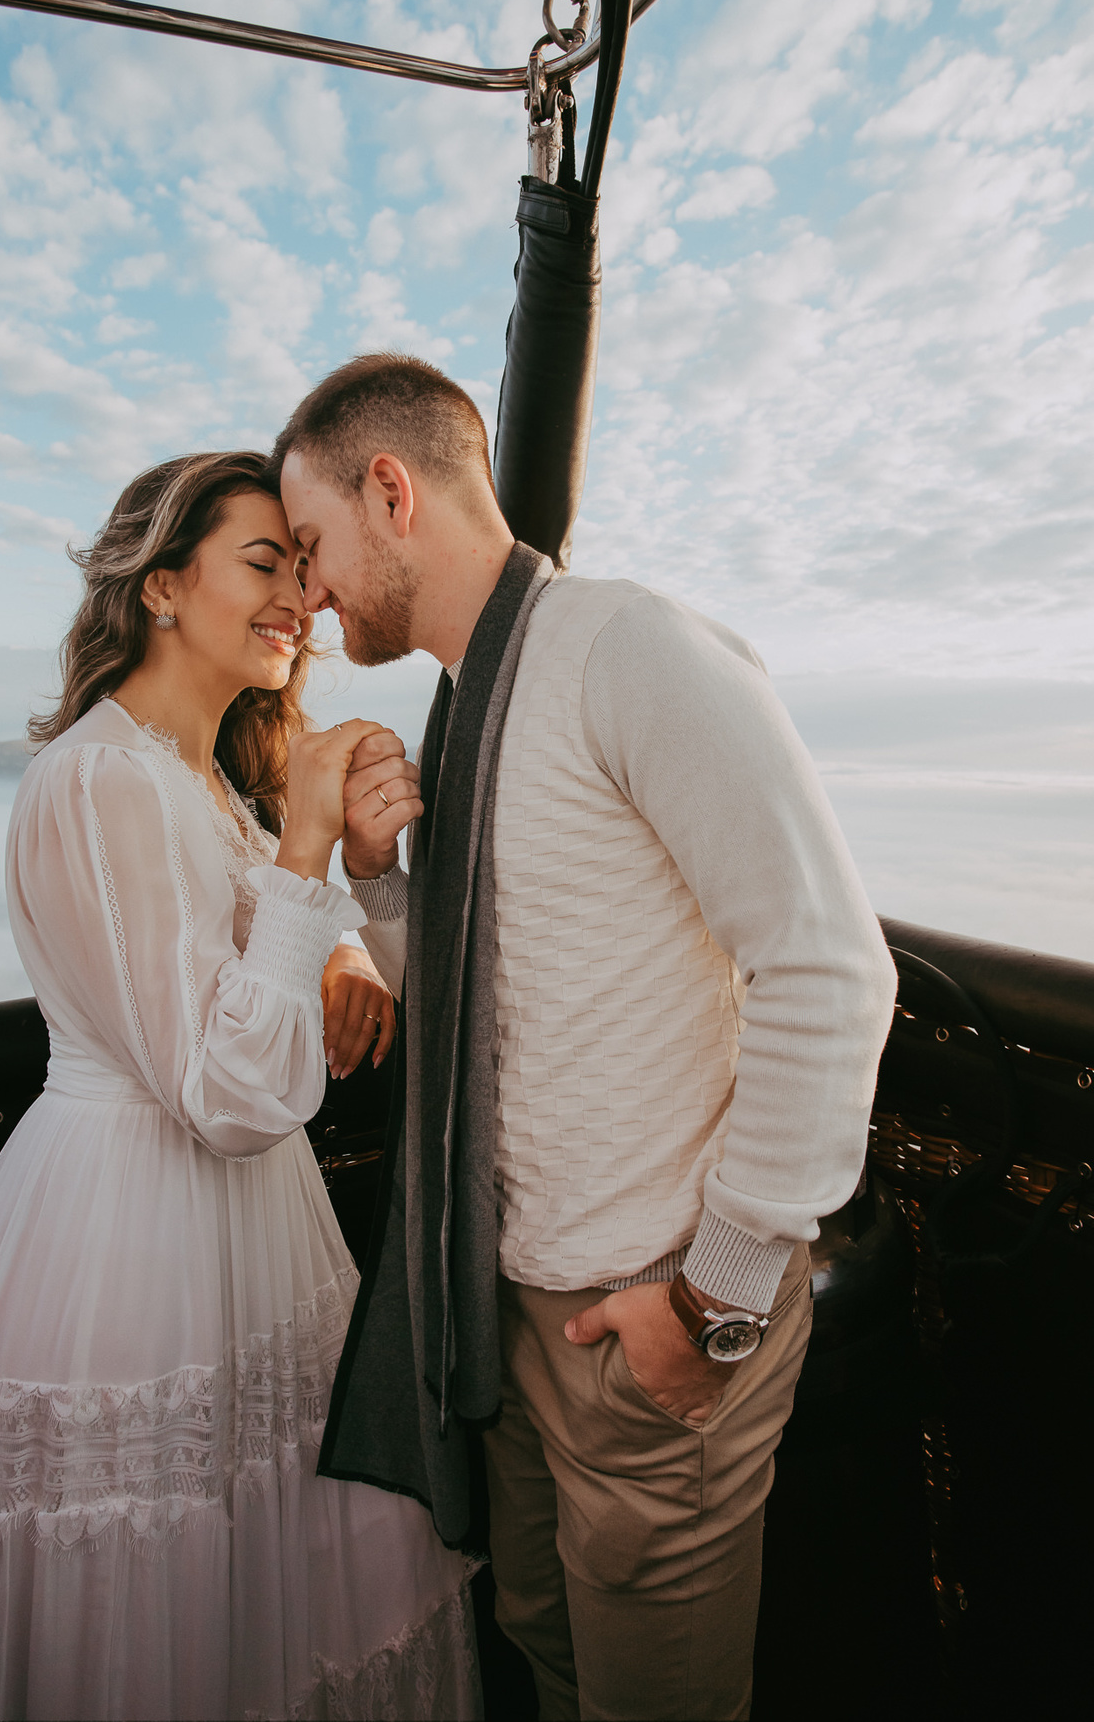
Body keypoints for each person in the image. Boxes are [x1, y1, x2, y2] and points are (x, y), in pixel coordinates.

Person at [272, 355, 900, 1722]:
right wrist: (381, 880)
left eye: (311, 544)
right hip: (516, 1323)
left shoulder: (625, 649)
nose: (306, 590)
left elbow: (831, 968)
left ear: (392, 490)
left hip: (657, 1329)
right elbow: (496, 1008)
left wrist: (714, 1306)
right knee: (547, 1660)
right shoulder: (467, 709)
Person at [0, 450, 480, 1722]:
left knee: (279, 1591)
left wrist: (335, 940)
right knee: (160, 1616)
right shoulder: (99, 777)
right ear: (161, 587)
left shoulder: (203, 782)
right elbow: (219, 1085)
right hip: (127, 1254)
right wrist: (313, 842)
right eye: (263, 562)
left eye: (303, 569)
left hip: (252, 1245)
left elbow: (227, 939)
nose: (299, 599)